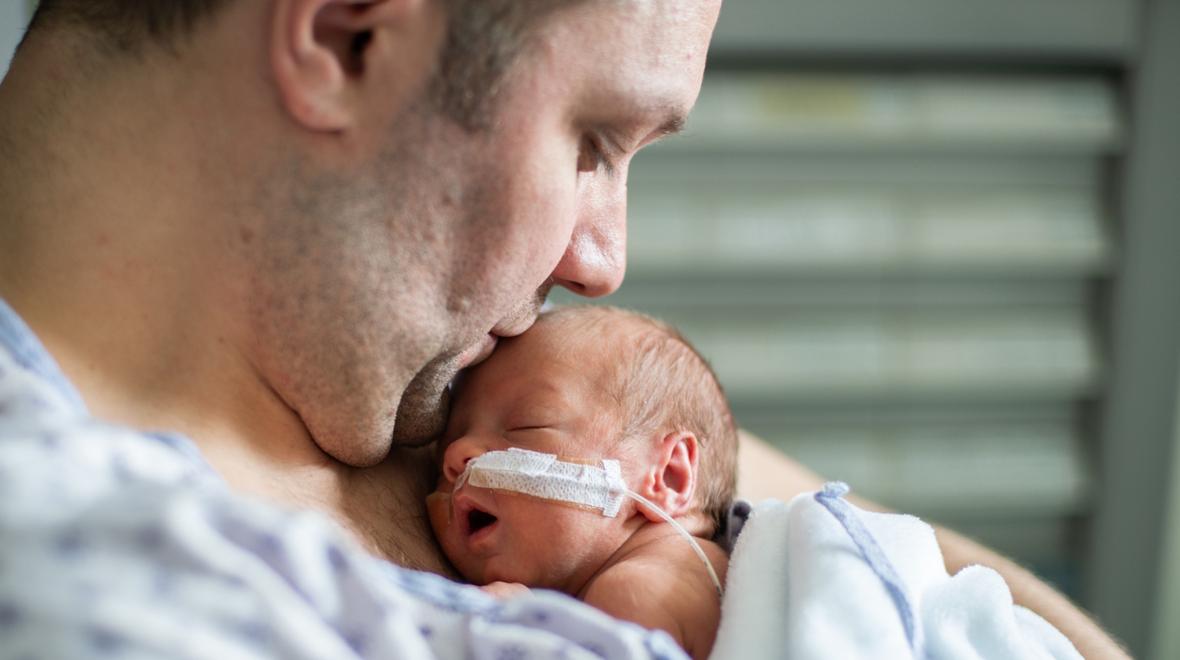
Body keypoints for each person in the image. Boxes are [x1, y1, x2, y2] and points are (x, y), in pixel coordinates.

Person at [0, 0, 1127, 658]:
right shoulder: (88, 574)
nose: (603, 263)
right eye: (592, 142)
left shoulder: (458, 381)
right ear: (348, 36)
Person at [427, 306, 737, 659]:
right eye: (448, 443)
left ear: (669, 476)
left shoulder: (635, 590)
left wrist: (523, 633)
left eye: (527, 424)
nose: (457, 453)